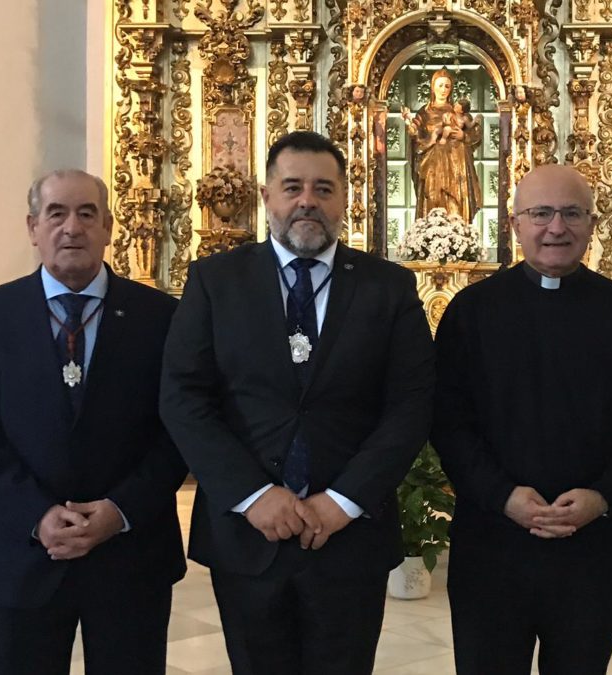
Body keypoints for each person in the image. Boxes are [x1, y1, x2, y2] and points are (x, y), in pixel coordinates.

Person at [160, 130, 435, 674]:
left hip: (350, 534)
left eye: (323, 188)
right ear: (267, 197)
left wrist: (345, 500)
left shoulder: (389, 287)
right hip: (247, 533)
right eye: (292, 187)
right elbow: (183, 396)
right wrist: (252, 494)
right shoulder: (216, 281)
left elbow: (411, 404)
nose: (307, 200)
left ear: (344, 199)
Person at [0, 169, 188, 675]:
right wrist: (37, 514)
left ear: (109, 226)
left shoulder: (162, 318)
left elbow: (181, 427)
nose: (71, 227)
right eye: (56, 214)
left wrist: (119, 510)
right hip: (22, 555)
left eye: (86, 213)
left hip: (130, 555)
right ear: (33, 227)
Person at [432, 164, 612, 674]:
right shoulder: (471, 313)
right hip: (491, 546)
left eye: (571, 213)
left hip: (593, 549)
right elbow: (448, 420)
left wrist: (603, 495)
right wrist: (502, 496)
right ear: (514, 224)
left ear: (591, 224)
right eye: (540, 213)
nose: (556, 228)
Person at [402, 69, 483, 223]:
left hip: (457, 163)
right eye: (440, 85)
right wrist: (410, 125)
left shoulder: (458, 111)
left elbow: (474, 133)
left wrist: (463, 136)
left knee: (456, 200)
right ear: (433, 87)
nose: (443, 89)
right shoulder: (424, 113)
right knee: (434, 196)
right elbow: (416, 136)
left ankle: (459, 233)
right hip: (433, 163)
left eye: (447, 86)